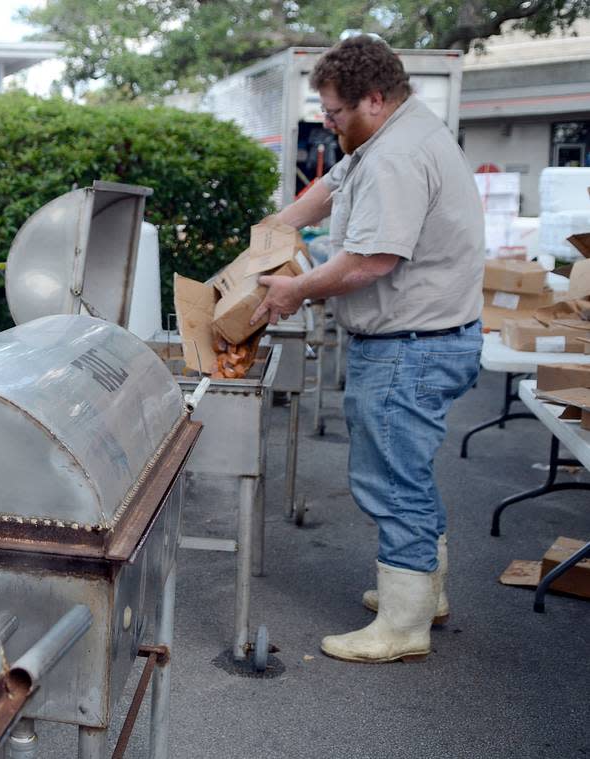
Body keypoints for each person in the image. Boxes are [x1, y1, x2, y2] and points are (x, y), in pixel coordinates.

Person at [251, 36, 484, 663]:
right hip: (432, 340)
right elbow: (330, 186)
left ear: (374, 99)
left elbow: (373, 260)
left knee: (391, 480)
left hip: (410, 348)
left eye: (333, 112)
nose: (326, 123)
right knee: (408, 470)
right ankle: (422, 593)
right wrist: (278, 231)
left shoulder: (396, 157)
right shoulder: (392, 134)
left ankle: (405, 625)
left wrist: (295, 288)